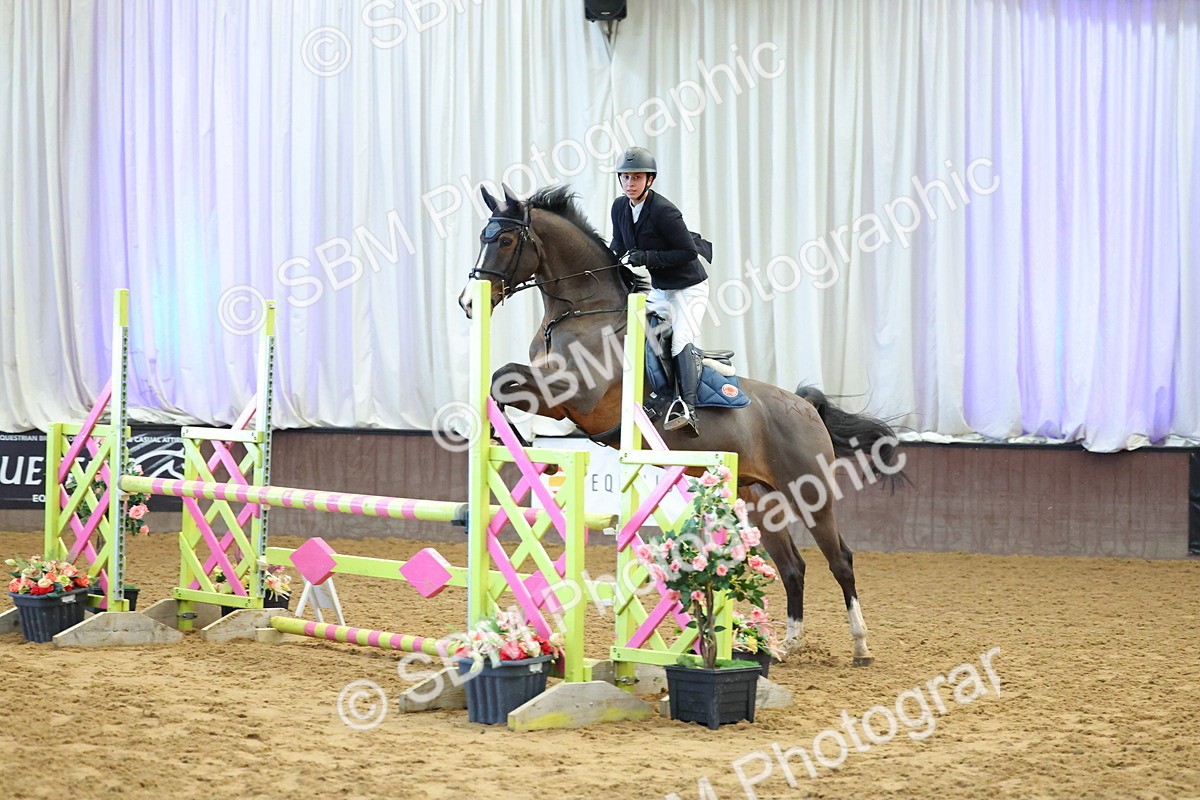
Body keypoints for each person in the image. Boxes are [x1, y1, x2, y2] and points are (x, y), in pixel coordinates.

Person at [609, 146, 710, 436]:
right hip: (662, 289)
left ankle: (687, 408)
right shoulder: (619, 207)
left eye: (636, 178)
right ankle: (658, 394)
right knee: (638, 334)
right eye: (626, 178)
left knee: (679, 340)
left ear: (649, 180)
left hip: (690, 288)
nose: (630, 184)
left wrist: (648, 258)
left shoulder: (664, 211)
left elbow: (688, 252)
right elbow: (618, 242)